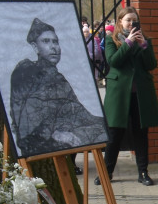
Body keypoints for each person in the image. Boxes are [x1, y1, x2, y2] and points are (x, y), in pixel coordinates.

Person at [10, 17, 107, 158]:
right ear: (35, 46)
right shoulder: (26, 71)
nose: (53, 46)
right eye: (46, 41)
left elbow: (77, 111)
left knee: (104, 127)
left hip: (61, 133)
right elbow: (27, 119)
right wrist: (56, 133)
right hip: (36, 142)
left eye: (55, 41)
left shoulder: (59, 78)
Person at [101, 7, 158, 186]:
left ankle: (143, 172)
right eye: (128, 20)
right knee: (114, 134)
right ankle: (106, 173)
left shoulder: (145, 40)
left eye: (135, 20)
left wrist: (144, 46)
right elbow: (114, 61)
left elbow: (152, 64)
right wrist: (127, 43)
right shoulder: (111, 40)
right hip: (119, 94)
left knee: (141, 133)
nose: (131, 23)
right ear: (120, 21)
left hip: (140, 94)